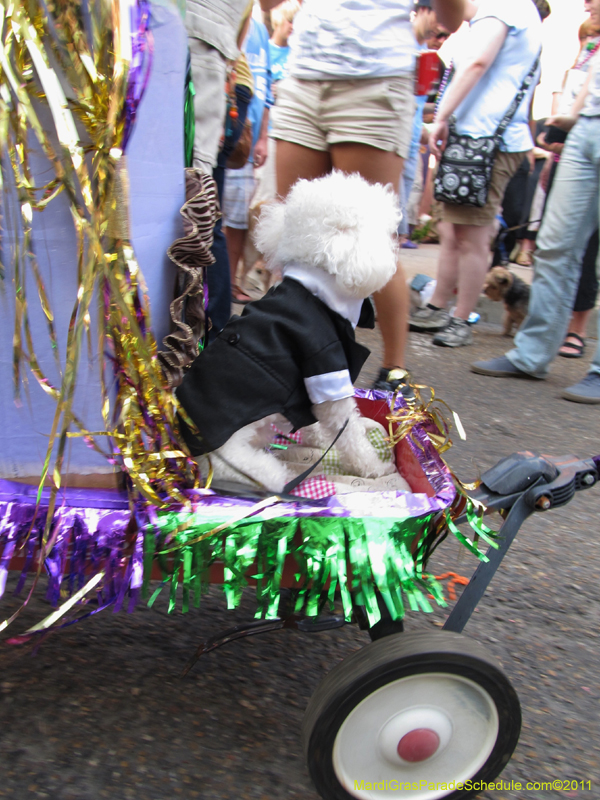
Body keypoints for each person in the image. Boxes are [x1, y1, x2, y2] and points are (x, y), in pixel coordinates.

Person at [271, 0, 467, 395]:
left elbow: (453, 15)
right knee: (289, 237)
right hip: (303, 75)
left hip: (374, 78)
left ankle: (394, 373)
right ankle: (280, 367)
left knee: (370, 241)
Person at [471, 0, 600, 403]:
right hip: (586, 129)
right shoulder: (592, 41)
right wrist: (570, 117)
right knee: (553, 244)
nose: (586, 2)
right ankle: (531, 354)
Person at [408, 0, 542, 348]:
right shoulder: (497, 11)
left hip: (487, 141)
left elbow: (477, 63)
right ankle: (438, 306)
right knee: (452, 230)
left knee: (473, 236)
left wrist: (439, 118)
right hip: (472, 138)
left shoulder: (506, 6)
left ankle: (460, 317)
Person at [222, 15, 274, 303]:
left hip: (247, 141)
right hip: (226, 130)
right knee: (215, 212)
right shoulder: (236, 16)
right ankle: (216, 286)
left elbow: (265, 91)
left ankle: (230, 283)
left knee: (239, 217)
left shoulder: (260, 30)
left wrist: (263, 137)